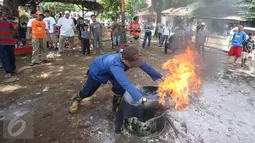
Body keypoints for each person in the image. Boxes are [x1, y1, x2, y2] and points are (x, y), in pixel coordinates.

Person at [69, 46, 162, 114]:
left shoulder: (130, 57)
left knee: (120, 88)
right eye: (132, 63)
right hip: (98, 70)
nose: (134, 65)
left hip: (112, 71)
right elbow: (126, 84)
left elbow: (146, 67)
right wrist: (142, 100)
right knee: (89, 90)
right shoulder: (115, 64)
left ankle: (116, 106)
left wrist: (159, 78)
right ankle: (77, 99)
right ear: (123, 59)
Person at [0, 4, 17, 78]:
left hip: (10, 41)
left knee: (12, 56)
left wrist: (16, 22)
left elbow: (14, 29)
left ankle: (13, 69)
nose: (0, 11)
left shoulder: (8, 20)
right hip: (1, 42)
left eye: (1, 9)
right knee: (4, 57)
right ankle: (9, 71)